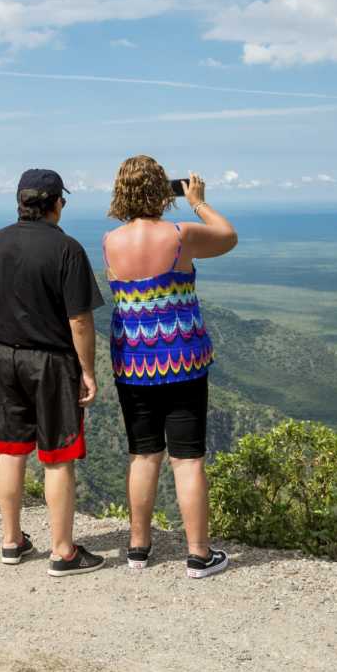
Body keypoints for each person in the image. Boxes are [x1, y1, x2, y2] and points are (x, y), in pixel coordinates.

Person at [0, 169, 106, 577]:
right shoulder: (67, 249)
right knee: (57, 457)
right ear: (56, 204)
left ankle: (12, 541)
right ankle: (62, 551)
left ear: (20, 202)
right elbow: (81, 321)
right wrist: (87, 370)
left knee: (11, 451)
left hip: (6, 360)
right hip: (52, 363)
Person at [102, 156, 237, 579]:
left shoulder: (110, 241)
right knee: (188, 459)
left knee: (143, 456)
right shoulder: (181, 235)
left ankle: (138, 549)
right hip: (183, 361)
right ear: (162, 191)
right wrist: (198, 202)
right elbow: (228, 237)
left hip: (133, 363)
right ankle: (198, 554)